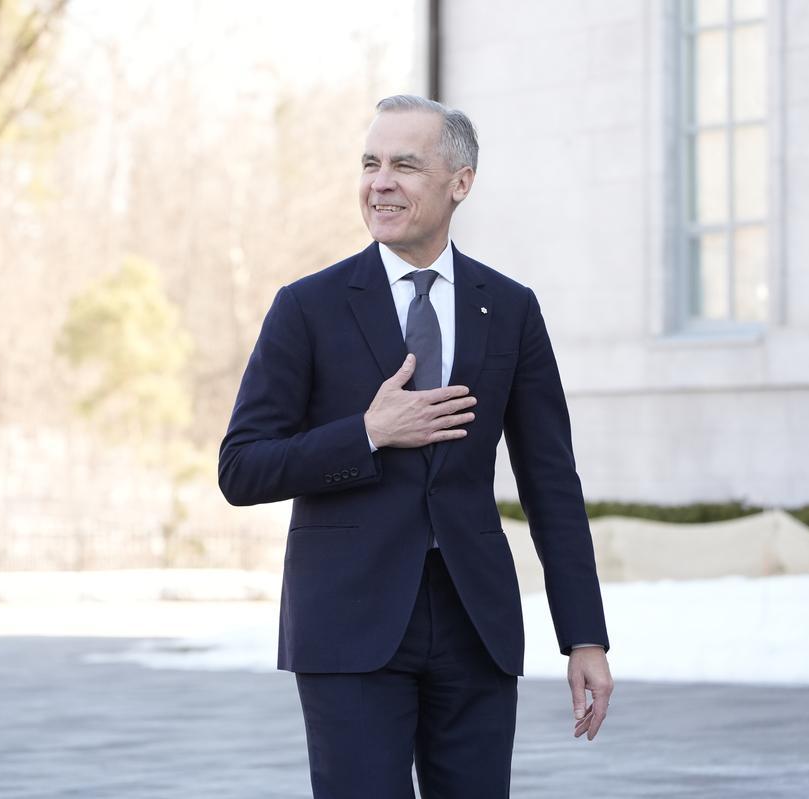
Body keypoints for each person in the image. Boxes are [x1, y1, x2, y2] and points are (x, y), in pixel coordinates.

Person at [218, 94, 612, 799]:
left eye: (404, 164)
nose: (380, 182)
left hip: (475, 624)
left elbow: (551, 482)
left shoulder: (510, 307)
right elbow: (241, 466)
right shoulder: (306, 307)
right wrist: (368, 433)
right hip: (349, 626)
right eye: (370, 163)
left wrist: (585, 636)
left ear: (459, 182)